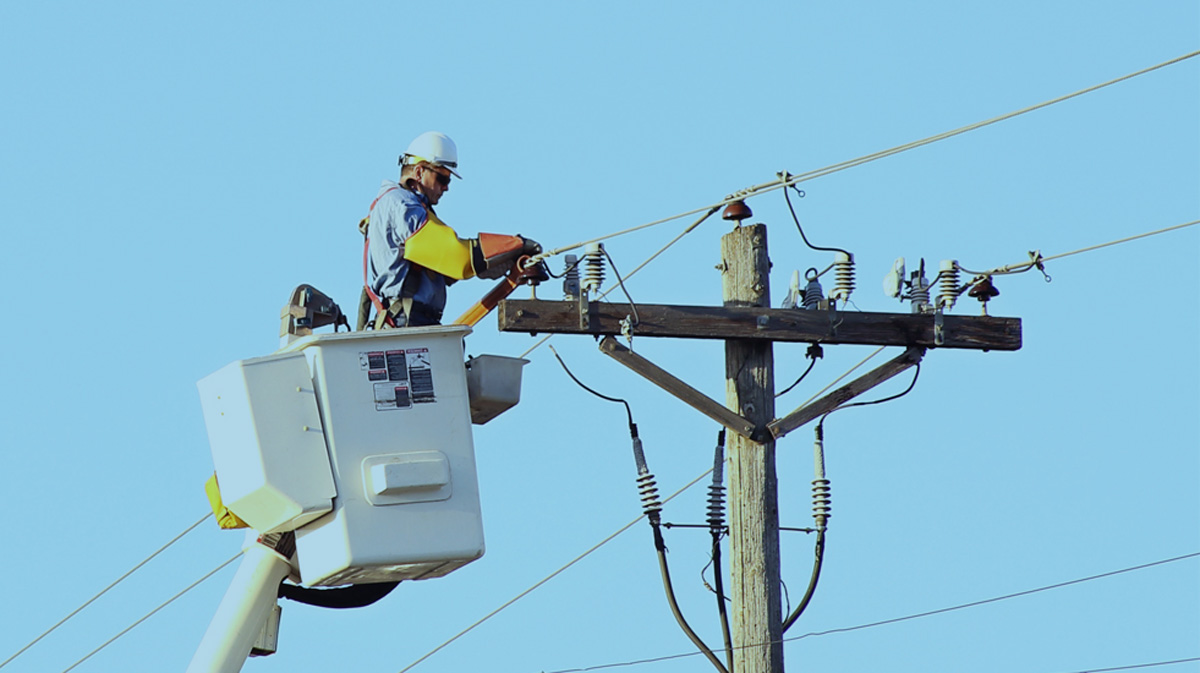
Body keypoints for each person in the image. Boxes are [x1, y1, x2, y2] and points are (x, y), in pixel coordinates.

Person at [359, 131, 540, 329]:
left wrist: (507, 259)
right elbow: (457, 257)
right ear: (419, 172)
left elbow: (448, 270)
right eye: (442, 178)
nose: (446, 188)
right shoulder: (402, 205)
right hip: (407, 322)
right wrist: (516, 244)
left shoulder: (407, 206)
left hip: (413, 321)